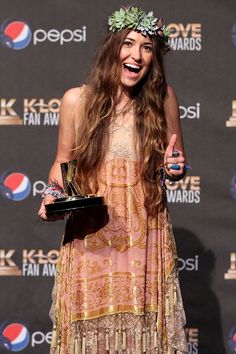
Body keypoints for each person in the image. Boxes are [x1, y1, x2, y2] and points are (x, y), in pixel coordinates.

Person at [38, 6, 188, 354]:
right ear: (112, 48)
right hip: (92, 235)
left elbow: (176, 159)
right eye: (129, 44)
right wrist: (52, 195)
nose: (136, 55)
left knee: (146, 340)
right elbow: (64, 163)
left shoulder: (163, 98)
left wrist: (175, 169)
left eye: (147, 47)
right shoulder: (77, 101)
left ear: (154, 57)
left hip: (145, 234)